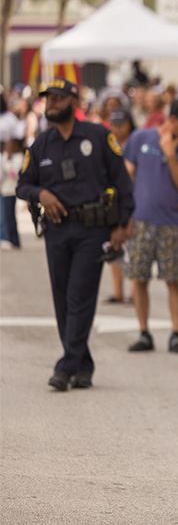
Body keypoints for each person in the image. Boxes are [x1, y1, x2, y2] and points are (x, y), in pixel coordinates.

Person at [16, 79, 134, 391]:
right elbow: (22, 185)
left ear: (73, 101)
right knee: (62, 299)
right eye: (48, 99)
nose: (51, 104)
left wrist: (122, 224)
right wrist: (41, 194)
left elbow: (122, 182)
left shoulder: (98, 136)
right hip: (56, 229)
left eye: (58, 98)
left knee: (79, 296)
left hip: (92, 229)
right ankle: (83, 365)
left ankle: (65, 365)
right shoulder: (42, 144)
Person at [124, 99, 178, 354]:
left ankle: (176, 333)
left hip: (170, 223)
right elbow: (127, 176)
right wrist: (124, 217)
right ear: (173, 120)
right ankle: (143, 331)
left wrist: (170, 155)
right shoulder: (141, 138)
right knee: (139, 277)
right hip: (141, 220)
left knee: (172, 279)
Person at [104, 108, 137, 304]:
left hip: (132, 200)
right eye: (114, 124)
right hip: (113, 201)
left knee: (132, 249)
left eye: (121, 124)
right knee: (114, 247)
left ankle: (133, 292)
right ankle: (118, 292)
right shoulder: (108, 144)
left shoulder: (134, 143)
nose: (117, 128)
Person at [0, 138, 23, 249]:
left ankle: (13, 240)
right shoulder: (3, 156)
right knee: (4, 217)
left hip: (11, 191)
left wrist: (8, 161)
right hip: (3, 190)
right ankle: (7, 239)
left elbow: (14, 174)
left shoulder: (18, 157)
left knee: (10, 217)